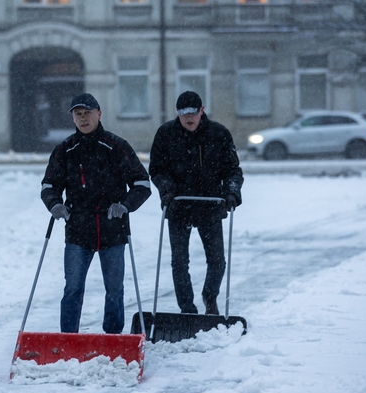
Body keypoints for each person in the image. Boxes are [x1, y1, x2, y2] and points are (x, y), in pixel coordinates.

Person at [41, 93, 151, 334]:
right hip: (77, 229)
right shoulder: (65, 150)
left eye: (87, 113)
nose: (83, 118)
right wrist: (54, 205)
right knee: (72, 288)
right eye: (77, 114)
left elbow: (142, 183)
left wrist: (125, 205)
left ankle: (112, 336)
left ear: (99, 114)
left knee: (114, 289)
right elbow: (49, 185)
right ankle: (68, 337)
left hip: (113, 229)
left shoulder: (116, 147)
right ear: (72, 118)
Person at [149, 91, 244, 315]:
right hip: (179, 205)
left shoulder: (218, 134)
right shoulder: (166, 134)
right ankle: (187, 309)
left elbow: (233, 170)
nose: (188, 118)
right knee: (179, 262)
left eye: (193, 113)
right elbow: (157, 170)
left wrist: (231, 193)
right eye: (183, 114)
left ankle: (210, 298)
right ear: (177, 113)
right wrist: (167, 190)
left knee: (217, 261)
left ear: (202, 111)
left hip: (210, 205)